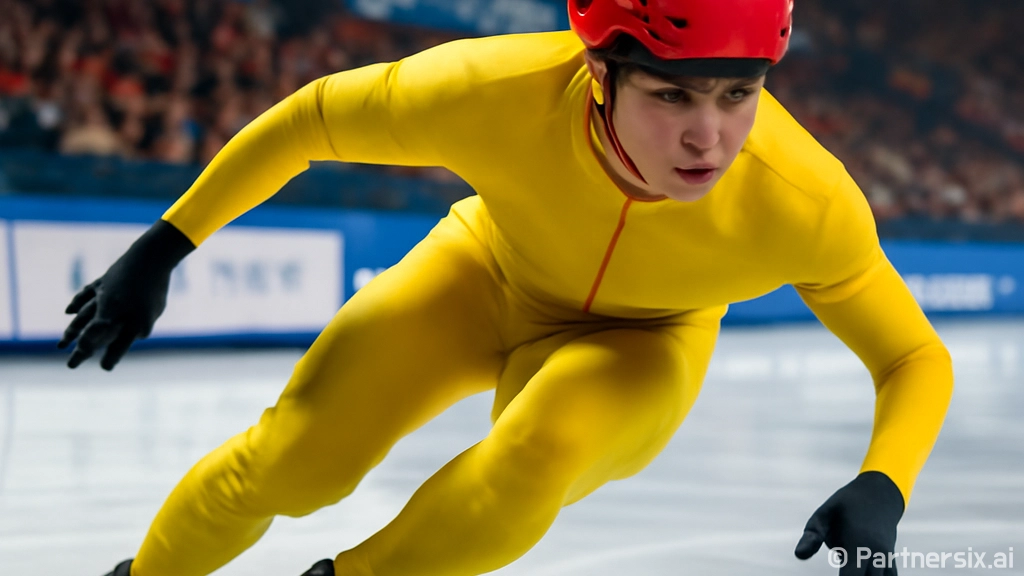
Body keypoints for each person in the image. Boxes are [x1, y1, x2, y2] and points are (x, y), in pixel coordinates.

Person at [60, 1, 954, 575]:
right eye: (671, 97)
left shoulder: (805, 200)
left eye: (737, 94)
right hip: (485, 273)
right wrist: (163, 247)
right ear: (598, 71)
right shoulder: (500, 89)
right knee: (294, 459)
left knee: (539, 451)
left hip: (647, 339)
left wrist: (886, 481)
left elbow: (911, 355)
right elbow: (311, 120)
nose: (709, 138)